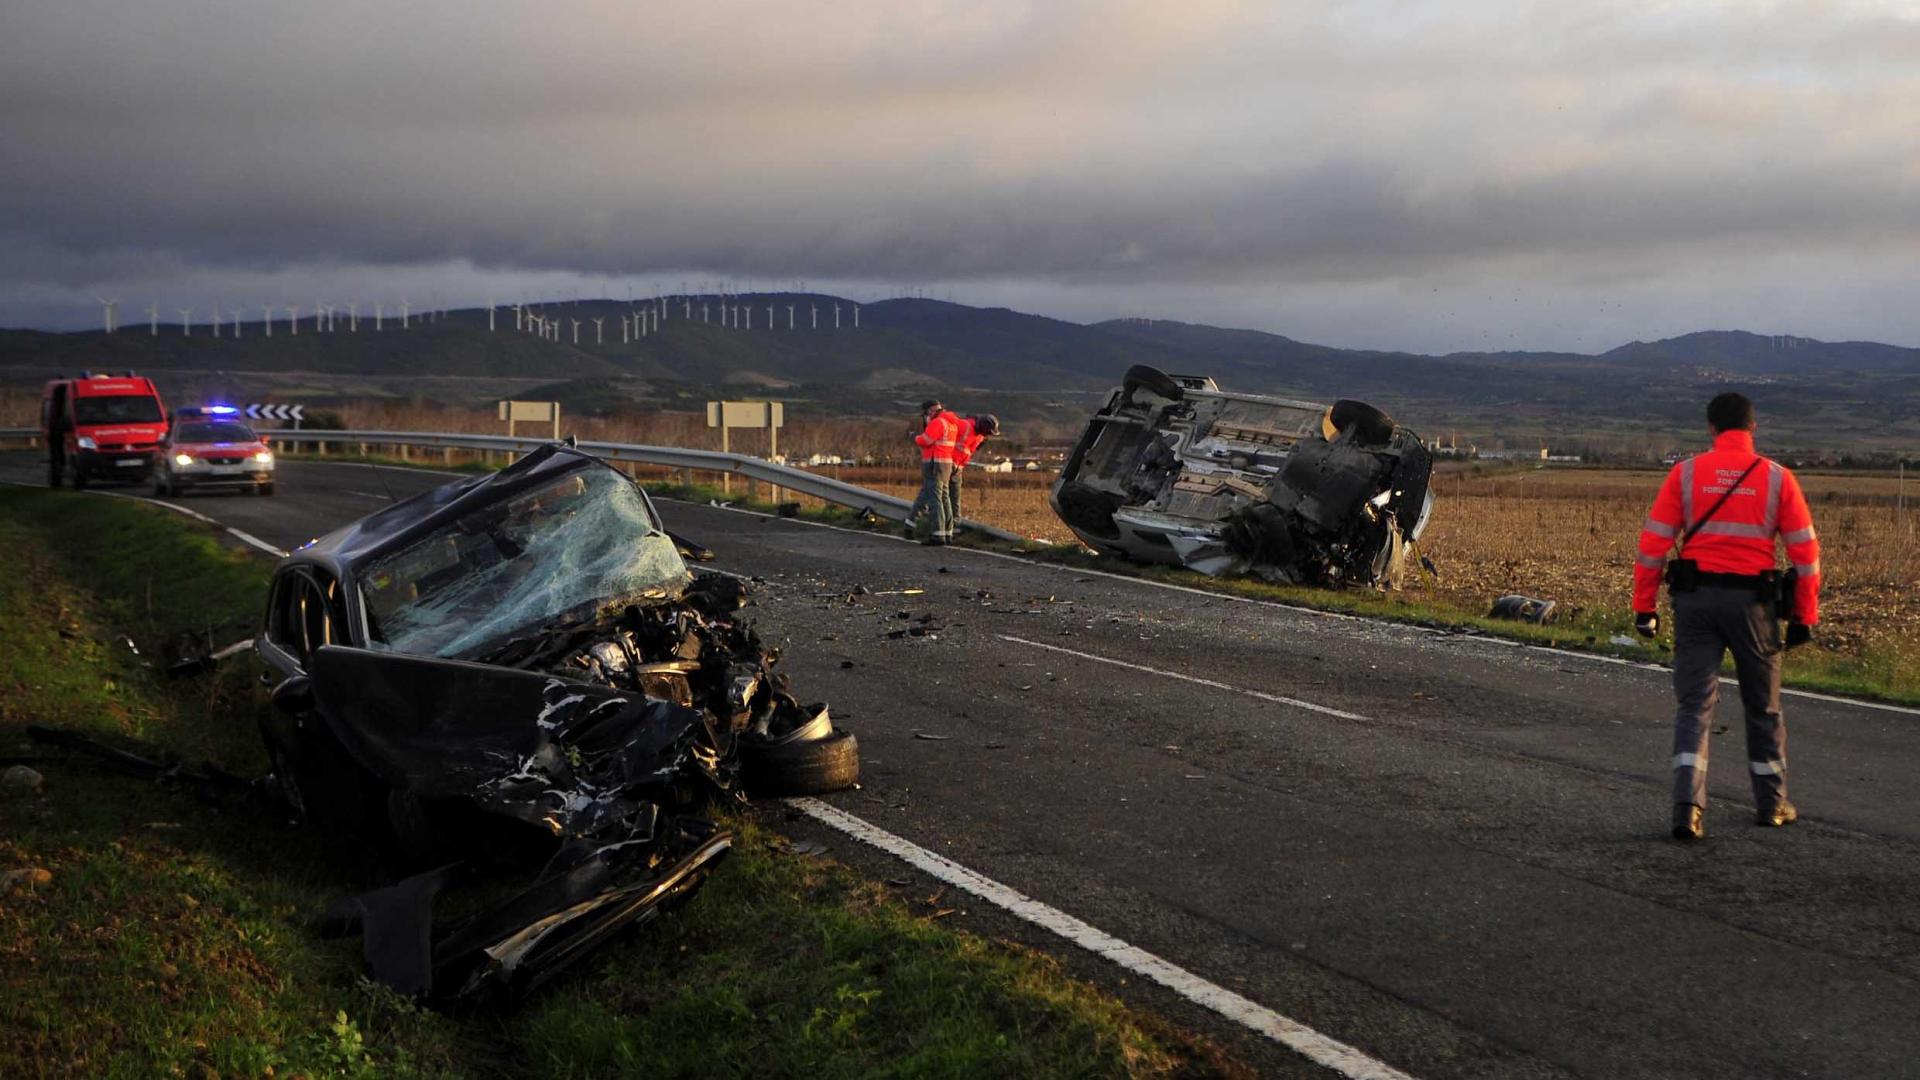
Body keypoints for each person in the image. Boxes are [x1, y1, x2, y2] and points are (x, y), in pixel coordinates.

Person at [1633, 392, 1821, 842]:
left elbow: (1653, 545)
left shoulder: (1686, 474)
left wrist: (1645, 608)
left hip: (1695, 604)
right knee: (1763, 707)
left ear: (1712, 428)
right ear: (1752, 428)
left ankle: (1687, 809)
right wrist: (1803, 616)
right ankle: (1772, 805)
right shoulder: (1778, 479)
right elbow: (1806, 555)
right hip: (1754, 608)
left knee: (1694, 706)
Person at [905, 400, 959, 544]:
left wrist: (914, 437)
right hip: (946, 463)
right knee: (944, 498)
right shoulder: (952, 423)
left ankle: (938, 534)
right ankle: (947, 533)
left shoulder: (937, 422)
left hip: (935, 463)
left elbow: (926, 440)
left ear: (929, 411)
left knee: (934, 499)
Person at [947, 413, 999, 528]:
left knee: (955, 498)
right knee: (941, 495)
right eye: (987, 433)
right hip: (947, 463)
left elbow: (968, 451)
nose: (987, 435)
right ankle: (938, 523)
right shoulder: (964, 425)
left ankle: (954, 527)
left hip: (958, 467)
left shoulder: (980, 437)